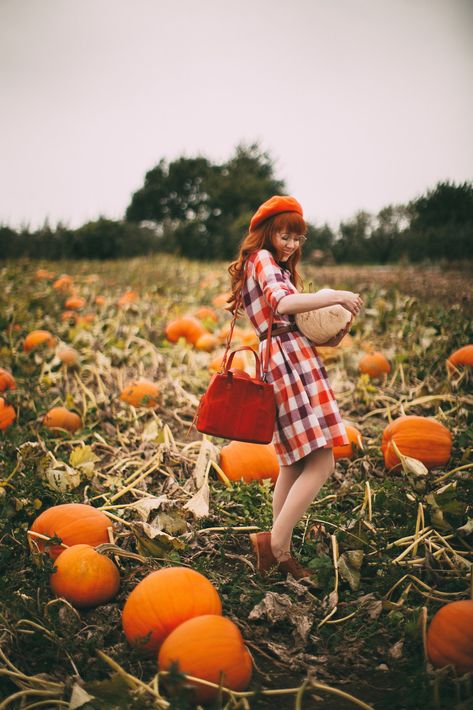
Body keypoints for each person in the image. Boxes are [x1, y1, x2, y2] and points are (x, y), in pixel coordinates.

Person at [227, 195, 363, 580]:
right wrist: (333, 296)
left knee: (293, 462)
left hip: (291, 355)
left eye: (297, 238)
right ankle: (276, 546)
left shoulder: (271, 265)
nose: (291, 244)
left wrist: (331, 327)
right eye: (285, 235)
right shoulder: (263, 260)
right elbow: (282, 305)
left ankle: (274, 551)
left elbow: (291, 317)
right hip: (287, 361)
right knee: (322, 462)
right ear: (269, 233)